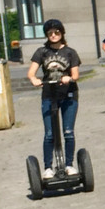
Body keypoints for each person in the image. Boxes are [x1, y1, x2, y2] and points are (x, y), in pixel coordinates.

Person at [27, 19, 81, 179]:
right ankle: (48, 168)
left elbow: (76, 74)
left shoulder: (70, 52)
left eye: (56, 32)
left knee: (68, 132)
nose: (53, 35)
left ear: (62, 33)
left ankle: (69, 165)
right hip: (49, 96)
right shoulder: (41, 52)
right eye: (50, 33)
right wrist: (34, 80)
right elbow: (31, 72)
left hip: (68, 95)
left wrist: (68, 78)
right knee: (49, 134)